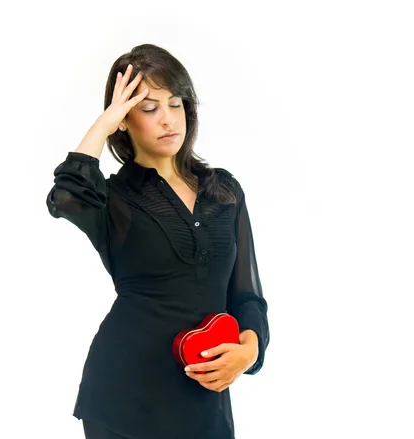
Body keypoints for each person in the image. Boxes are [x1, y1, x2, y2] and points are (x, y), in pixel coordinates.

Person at [46, 43, 270, 439]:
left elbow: (247, 296)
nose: (167, 120)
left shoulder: (224, 191)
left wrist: (249, 350)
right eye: (149, 108)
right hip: (123, 395)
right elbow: (66, 197)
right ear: (126, 122)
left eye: (176, 104)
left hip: (203, 396)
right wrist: (104, 122)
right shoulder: (113, 199)